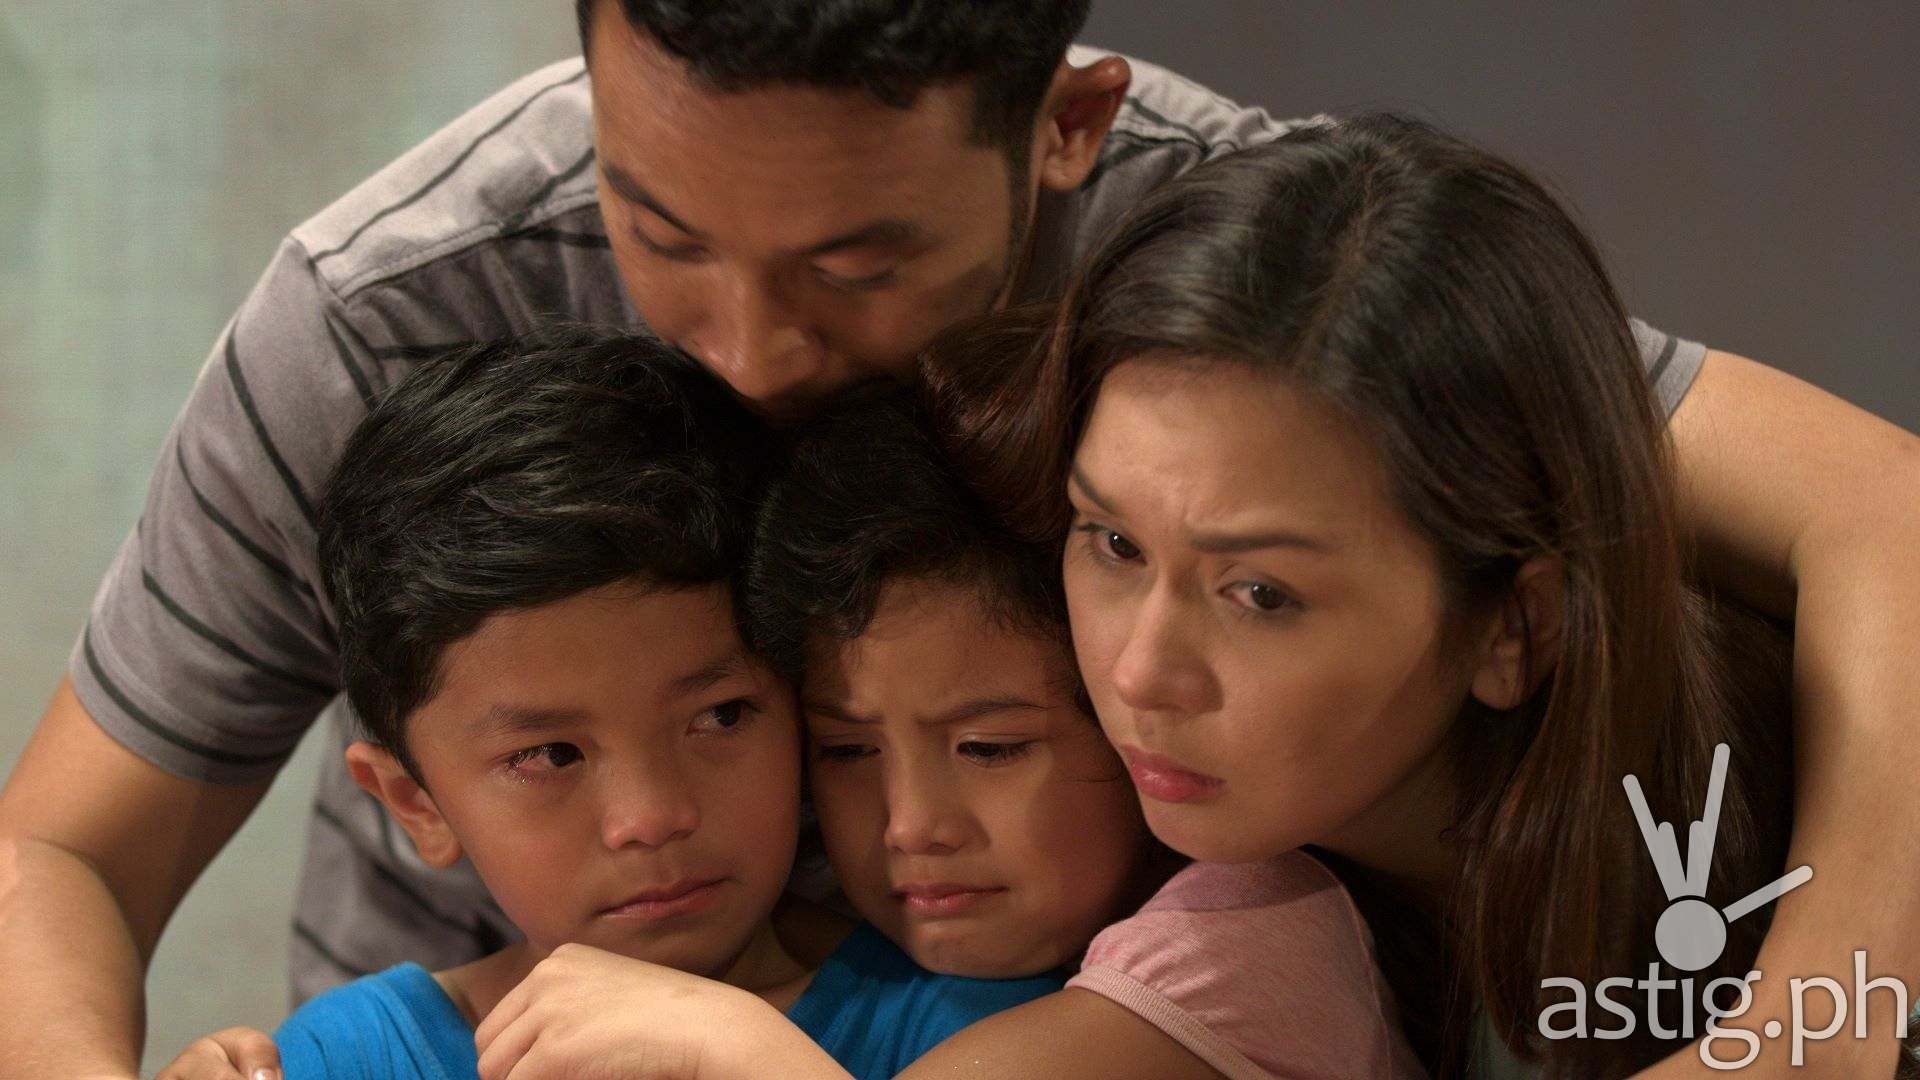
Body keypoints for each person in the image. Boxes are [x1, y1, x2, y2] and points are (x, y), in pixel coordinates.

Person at [2, 3, 1917, 1077]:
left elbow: (1882, 506)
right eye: (658, 231)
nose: (750, 351)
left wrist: (1808, 1036)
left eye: (858, 265)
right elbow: (58, 852)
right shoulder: (382, 305)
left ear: (1068, 125)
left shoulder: (1256, 264)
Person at [164, 326, 1086, 1080]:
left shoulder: (977, 1028)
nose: (652, 817)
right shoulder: (353, 1060)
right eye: (550, 756)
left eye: (720, 716)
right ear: (417, 804)